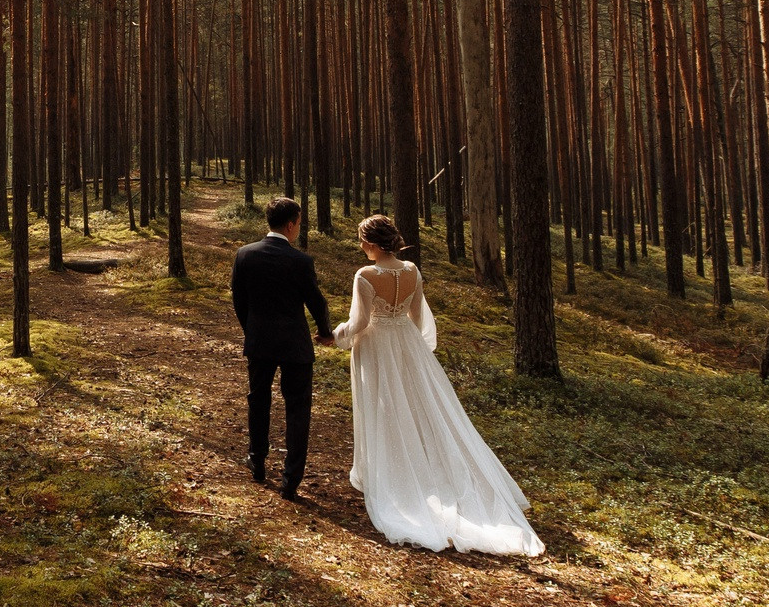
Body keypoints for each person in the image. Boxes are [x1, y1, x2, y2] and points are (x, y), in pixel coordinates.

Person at [331, 214, 542, 556]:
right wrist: (417, 347)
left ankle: (393, 475)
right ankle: (421, 467)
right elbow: (417, 316)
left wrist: (338, 335)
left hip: (378, 347)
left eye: (361, 241)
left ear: (371, 243)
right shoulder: (412, 270)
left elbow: (361, 321)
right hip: (408, 345)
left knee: (383, 405)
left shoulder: (365, 275)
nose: (360, 247)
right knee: (417, 406)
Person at [231, 196, 331, 498]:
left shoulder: (245, 254)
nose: (298, 229)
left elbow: (239, 299)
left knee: (258, 400)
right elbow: (316, 301)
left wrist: (251, 329)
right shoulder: (301, 261)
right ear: (290, 224)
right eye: (299, 223)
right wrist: (325, 331)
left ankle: (257, 461)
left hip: (259, 340)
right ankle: (291, 480)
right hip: (295, 344)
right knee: (298, 409)